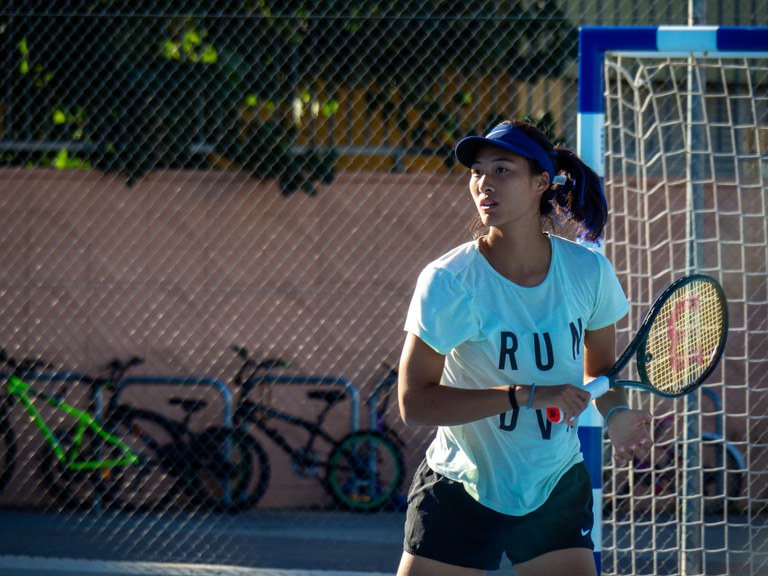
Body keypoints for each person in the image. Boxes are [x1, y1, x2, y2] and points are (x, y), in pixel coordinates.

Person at [396, 119, 653, 576]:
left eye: (502, 169)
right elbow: (414, 403)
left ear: (541, 182)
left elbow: (603, 370)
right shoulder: (450, 281)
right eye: (477, 170)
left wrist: (615, 413)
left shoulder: (587, 273)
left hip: (553, 484)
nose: (483, 182)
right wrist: (527, 394)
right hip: (461, 483)